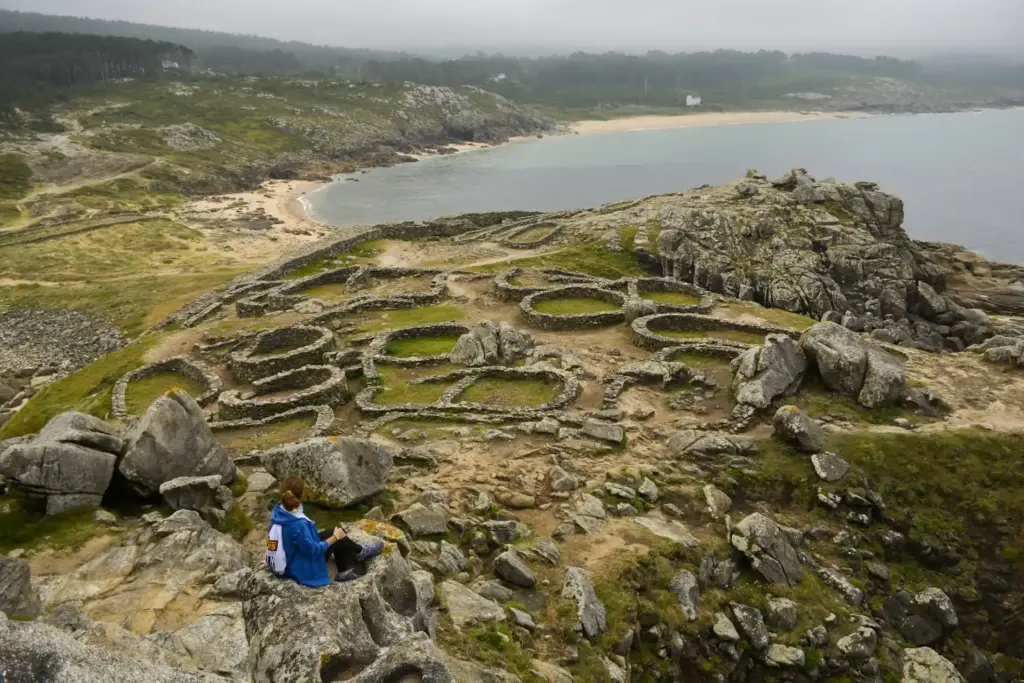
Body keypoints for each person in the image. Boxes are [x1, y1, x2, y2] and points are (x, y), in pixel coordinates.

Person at [266, 475, 384, 586]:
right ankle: (358, 554)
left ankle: (352, 561)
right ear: (301, 494)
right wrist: (335, 538)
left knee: (337, 531)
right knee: (337, 536)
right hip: (302, 568)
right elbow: (313, 551)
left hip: (294, 557)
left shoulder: (278, 511)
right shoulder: (298, 524)